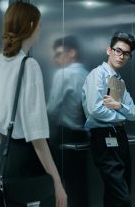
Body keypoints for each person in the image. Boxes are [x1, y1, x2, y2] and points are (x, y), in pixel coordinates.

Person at [0, 2, 67, 207]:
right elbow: (37, 137)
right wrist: (57, 183)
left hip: (7, 157)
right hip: (29, 161)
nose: (40, 29)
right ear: (30, 25)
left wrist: (10, 145)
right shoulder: (29, 65)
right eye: (39, 24)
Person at [82, 31, 135, 207]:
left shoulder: (119, 82)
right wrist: (121, 116)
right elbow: (95, 109)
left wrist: (119, 106)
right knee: (121, 197)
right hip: (103, 136)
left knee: (119, 192)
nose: (122, 56)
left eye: (127, 54)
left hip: (119, 136)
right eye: (118, 51)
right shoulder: (97, 75)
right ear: (109, 50)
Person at [47, 35, 89, 207]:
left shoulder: (63, 74)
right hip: (83, 137)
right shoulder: (88, 74)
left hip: (65, 136)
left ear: (72, 53)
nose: (56, 59)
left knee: (60, 186)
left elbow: (51, 109)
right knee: (79, 185)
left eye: (59, 54)